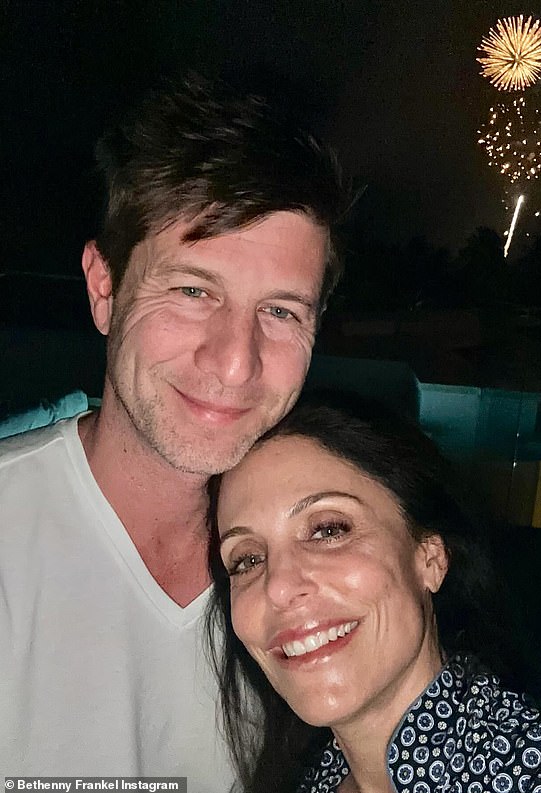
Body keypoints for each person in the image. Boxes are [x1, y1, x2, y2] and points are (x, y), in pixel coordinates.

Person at [0, 76, 349, 790]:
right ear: (104, 288)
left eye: (281, 312)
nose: (234, 360)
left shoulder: (338, 576)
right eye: (193, 291)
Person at [208, 392, 541, 793]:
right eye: (247, 559)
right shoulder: (309, 775)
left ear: (430, 559)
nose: (279, 587)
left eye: (328, 530)